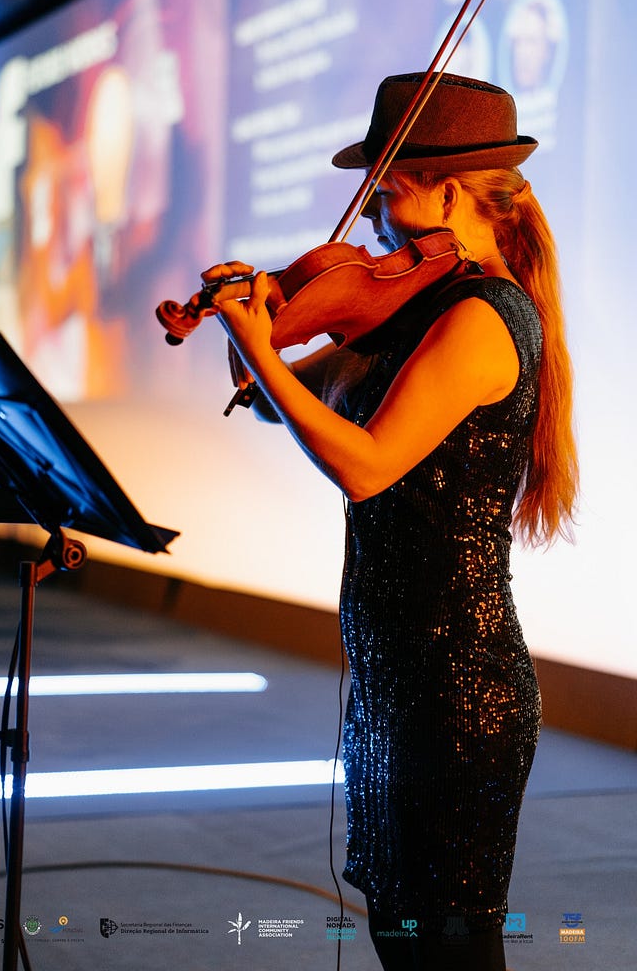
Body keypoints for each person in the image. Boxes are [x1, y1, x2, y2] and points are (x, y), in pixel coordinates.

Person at [203, 73, 578, 971]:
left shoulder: (487, 319)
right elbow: (279, 399)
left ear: (449, 190)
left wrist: (263, 346)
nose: (367, 210)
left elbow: (364, 467)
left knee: (448, 948)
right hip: (397, 674)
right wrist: (253, 330)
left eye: (385, 185)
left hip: (455, 688)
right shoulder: (414, 310)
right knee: (400, 933)